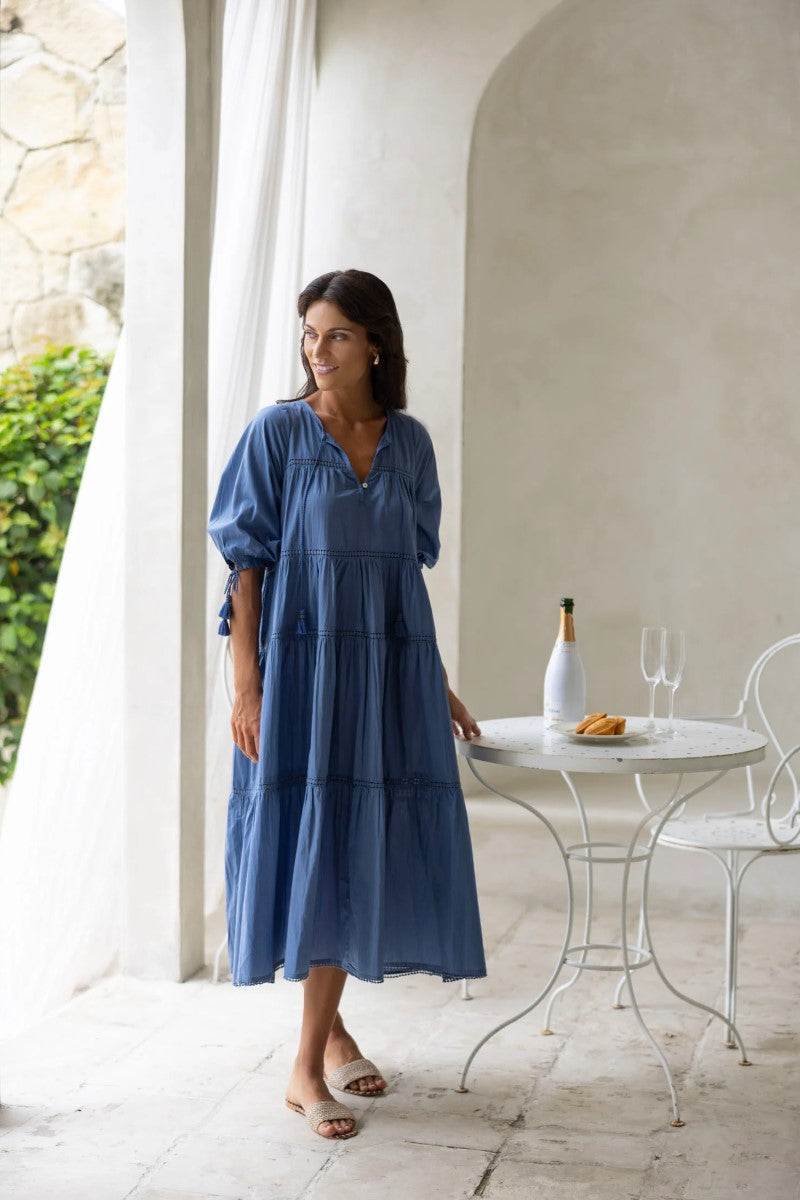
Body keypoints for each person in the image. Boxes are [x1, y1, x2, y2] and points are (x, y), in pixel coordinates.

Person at [207, 269, 486, 1141]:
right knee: (315, 838)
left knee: (357, 842)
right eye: (308, 336)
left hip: (389, 675)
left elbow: (405, 576)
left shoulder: (409, 445)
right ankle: (303, 1065)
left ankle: (332, 1033)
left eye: (334, 336)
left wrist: (431, 681)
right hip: (300, 673)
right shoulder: (280, 434)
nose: (316, 352)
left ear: (374, 343)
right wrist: (247, 683)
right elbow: (245, 566)